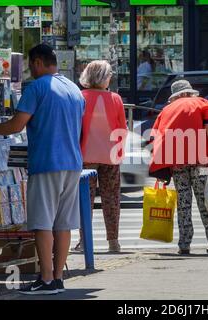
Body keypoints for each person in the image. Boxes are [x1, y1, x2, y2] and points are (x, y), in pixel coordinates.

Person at [0, 44, 85, 295]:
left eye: (31, 65)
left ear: (38, 62)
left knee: (42, 224)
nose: (30, 70)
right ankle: (58, 278)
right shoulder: (74, 89)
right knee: (63, 225)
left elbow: (16, 126)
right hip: (73, 163)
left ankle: (46, 279)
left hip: (47, 163)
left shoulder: (37, 88)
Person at [149, 79, 208, 255]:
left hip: (178, 161)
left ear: (175, 96)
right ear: (189, 92)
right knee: (205, 200)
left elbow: (156, 139)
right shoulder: (202, 103)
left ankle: (184, 244)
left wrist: (160, 167)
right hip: (201, 160)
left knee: (183, 202)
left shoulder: (166, 110)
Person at [71, 60, 127, 253]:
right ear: (104, 77)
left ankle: (84, 240)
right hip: (110, 156)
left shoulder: (80, 97)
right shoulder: (116, 99)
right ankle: (114, 242)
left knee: (85, 200)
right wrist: (120, 152)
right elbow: (122, 129)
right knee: (111, 199)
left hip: (85, 155)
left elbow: (75, 128)